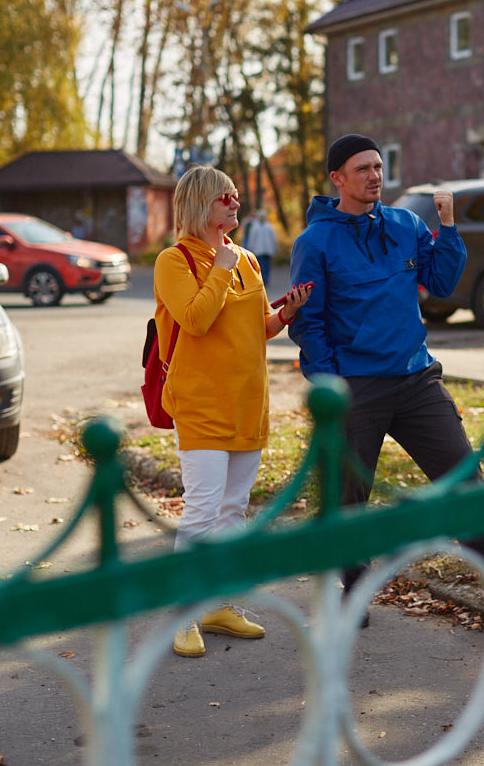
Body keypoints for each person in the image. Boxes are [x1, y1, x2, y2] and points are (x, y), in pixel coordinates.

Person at [287, 134, 484, 625]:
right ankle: (355, 587)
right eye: (362, 168)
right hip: (357, 387)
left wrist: (448, 226)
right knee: (350, 495)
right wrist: (332, 386)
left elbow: (443, 283)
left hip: (415, 380)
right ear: (337, 178)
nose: (374, 176)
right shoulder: (315, 243)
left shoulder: (405, 224)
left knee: (462, 478)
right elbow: (308, 322)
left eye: (379, 167)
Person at [154, 165, 311, 657]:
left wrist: (285, 313)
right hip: (200, 401)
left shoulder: (246, 258)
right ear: (202, 203)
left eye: (236, 198)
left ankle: (217, 604)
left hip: (248, 399)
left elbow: (256, 327)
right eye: (228, 198)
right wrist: (220, 265)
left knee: (233, 510)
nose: (236, 206)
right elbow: (197, 321)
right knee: (201, 509)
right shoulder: (173, 261)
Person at [243, 208, 279, 287]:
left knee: (266, 265)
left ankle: (265, 280)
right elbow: (252, 238)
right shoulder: (258, 226)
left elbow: (273, 238)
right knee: (262, 265)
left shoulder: (267, 226)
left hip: (265, 250)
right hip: (260, 250)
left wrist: (275, 247)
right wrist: (250, 248)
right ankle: (264, 280)